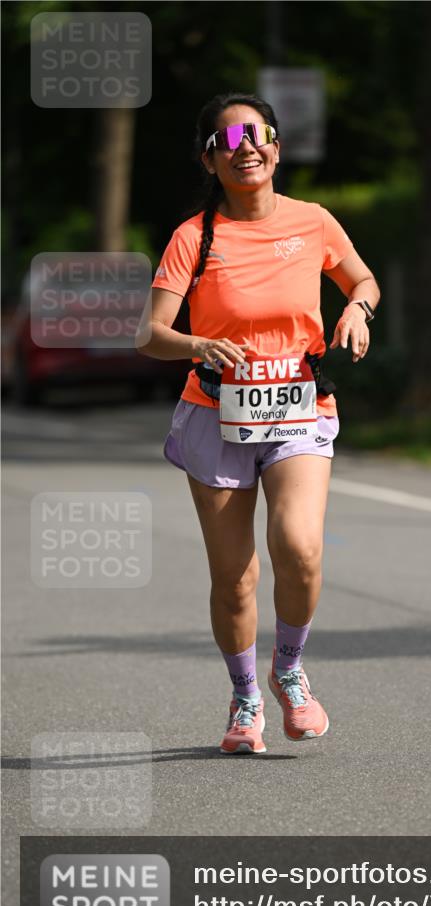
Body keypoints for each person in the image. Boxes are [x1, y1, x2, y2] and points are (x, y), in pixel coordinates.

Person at [138, 93, 380, 753]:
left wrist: (356, 309)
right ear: (210, 158)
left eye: (258, 133)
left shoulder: (313, 221)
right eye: (229, 138)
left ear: (275, 146)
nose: (246, 146)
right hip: (215, 412)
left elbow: (362, 281)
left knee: (298, 547)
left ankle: (289, 671)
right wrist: (195, 344)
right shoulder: (196, 235)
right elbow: (151, 334)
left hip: (298, 406)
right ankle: (245, 699)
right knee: (234, 576)